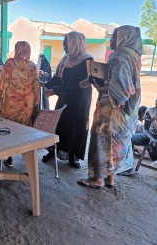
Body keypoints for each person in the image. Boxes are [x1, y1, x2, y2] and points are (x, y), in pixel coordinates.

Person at [78, 25, 142, 189]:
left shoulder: (119, 56)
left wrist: (99, 88)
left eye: (114, 36)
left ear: (123, 38)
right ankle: (111, 180)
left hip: (111, 109)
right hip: (127, 111)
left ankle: (97, 180)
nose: (111, 40)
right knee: (115, 144)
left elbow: (120, 90)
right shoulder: (134, 56)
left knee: (102, 141)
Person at [42, 31, 94, 168]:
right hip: (64, 96)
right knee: (59, 125)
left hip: (79, 100)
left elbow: (75, 83)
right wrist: (44, 84)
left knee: (75, 126)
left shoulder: (87, 60)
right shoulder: (66, 59)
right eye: (64, 44)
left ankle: (72, 156)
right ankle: (53, 151)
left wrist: (54, 91)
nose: (64, 46)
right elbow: (58, 78)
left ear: (75, 43)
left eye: (67, 44)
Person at [0, 41, 40, 167]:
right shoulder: (33, 66)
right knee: (22, 130)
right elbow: (36, 86)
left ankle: (9, 157)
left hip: (10, 103)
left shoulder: (10, 63)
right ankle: (27, 159)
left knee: (8, 130)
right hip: (26, 105)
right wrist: (36, 103)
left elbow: (1, 83)